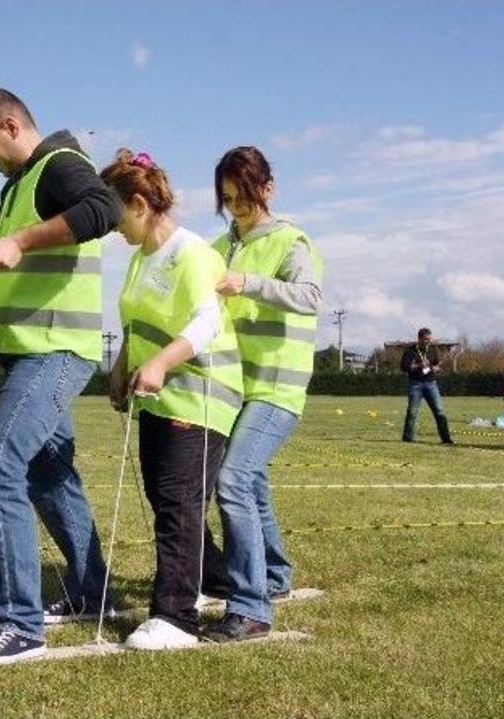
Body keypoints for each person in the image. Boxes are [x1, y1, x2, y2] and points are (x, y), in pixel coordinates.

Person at [0, 88, 121, 666]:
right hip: (28, 351)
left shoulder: (60, 164)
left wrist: (20, 240)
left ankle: (19, 624)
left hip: (54, 352)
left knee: (0, 468)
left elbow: (104, 211)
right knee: (51, 478)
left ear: (10, 124)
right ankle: (93, 593)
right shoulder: (16, 188)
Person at [101, 150, 244, 650]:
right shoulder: (140, 261)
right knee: (166, 499)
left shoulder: (193, 253)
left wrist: (161, 363)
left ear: (139, 204)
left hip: (201, 396)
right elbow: (135, 325)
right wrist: (121, 369)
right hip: (158, 401)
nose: (110, 227)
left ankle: (176, 617)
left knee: (179, 502)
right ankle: (217, 583)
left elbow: (205, 322)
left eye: (113, 214)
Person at [206, 146, 324, 642]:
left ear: (267, 190)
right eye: (228, 200)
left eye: (244, 199)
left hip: (278, 384)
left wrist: (250, 283)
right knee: (250, 485)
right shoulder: (217, 246)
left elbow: (310, 296)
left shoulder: (292, 241)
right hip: (236, 385)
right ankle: (273, 577)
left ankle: (250, 607)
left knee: (232, 481)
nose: (236, 209)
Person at [400, 328, 454, 444]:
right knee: (412, 412)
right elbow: (404, 367)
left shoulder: (433, 350)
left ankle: (446, 439)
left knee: (439, 411)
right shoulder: (410, 351)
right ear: (419, 338)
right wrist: (419, 365)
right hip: (415, 385)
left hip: (431, 384)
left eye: (429, 339)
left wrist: (436, 368)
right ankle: (407, 438)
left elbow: (438, 365)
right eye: (425, 339)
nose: (428, 341)